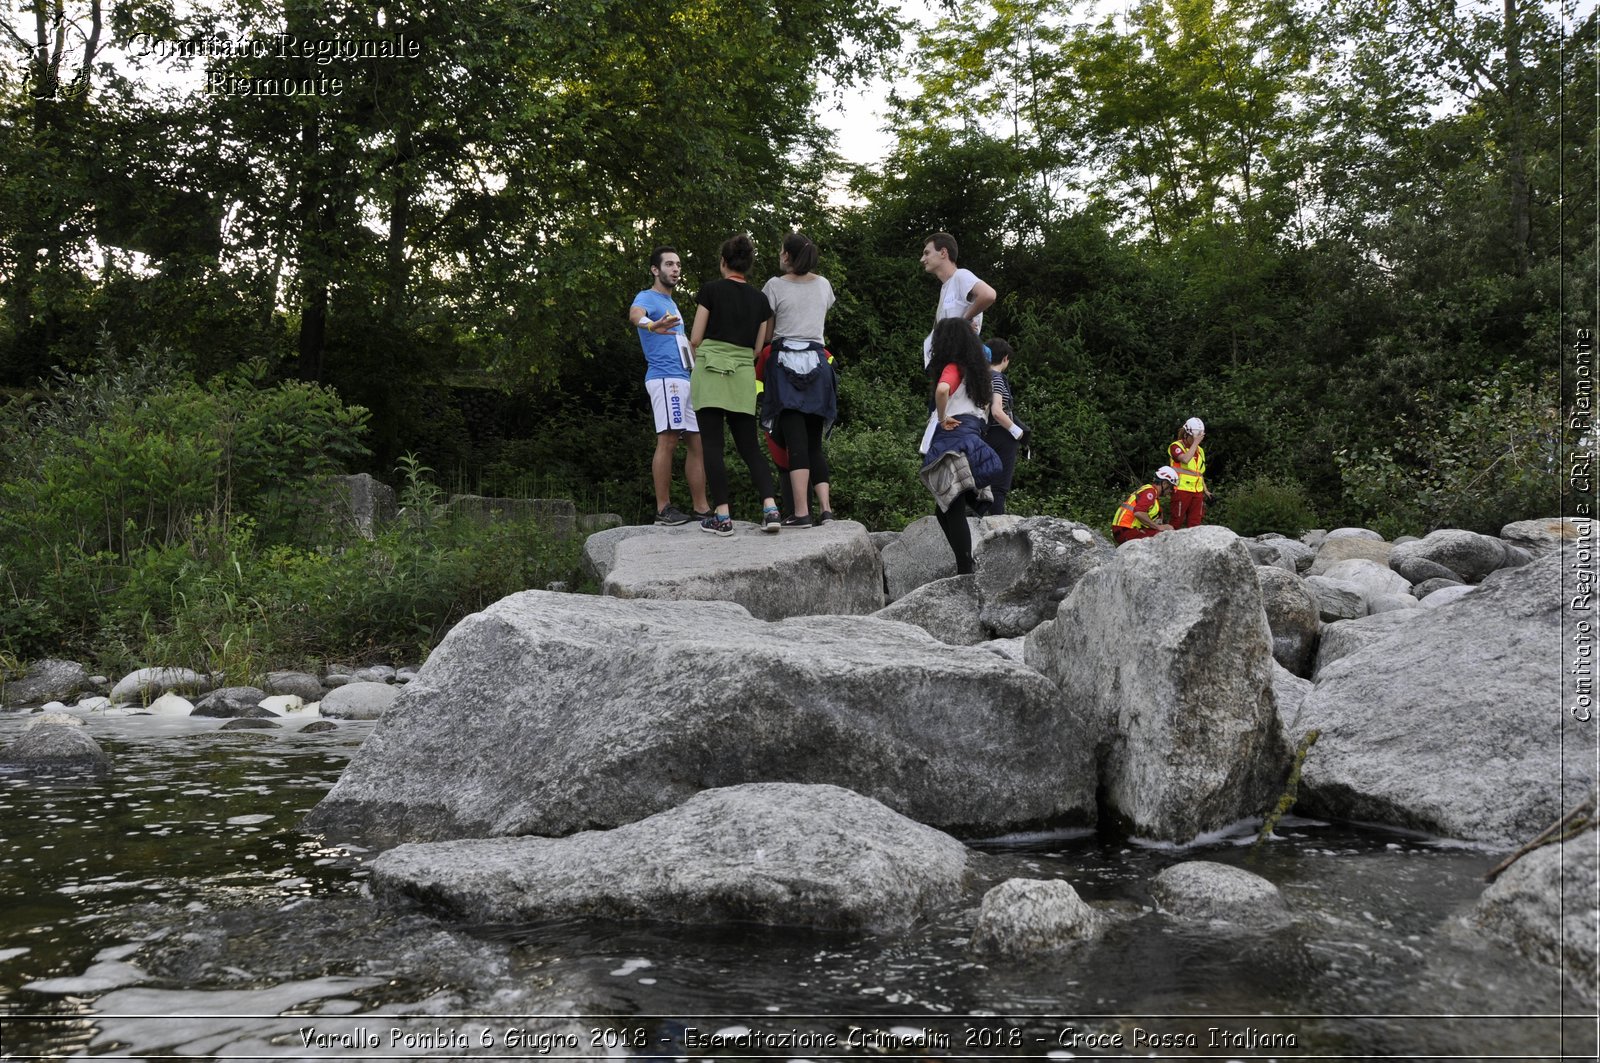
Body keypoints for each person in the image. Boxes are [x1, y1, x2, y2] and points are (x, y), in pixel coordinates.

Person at [688, 234, 781, 536]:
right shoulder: (761, 300)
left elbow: (695, 338)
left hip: (711, 370)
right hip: (743, 373)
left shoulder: (710, 290)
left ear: (724, 262)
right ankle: (770, 508)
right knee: (750, 447)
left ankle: (723, 517)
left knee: (712, 446)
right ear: (749, 265)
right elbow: (759, 347)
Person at [628, 245, 710, 525]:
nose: (676, 269)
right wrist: (652, 325)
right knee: (669, 439)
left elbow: (685, 345)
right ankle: (663, 509)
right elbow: (635, 315)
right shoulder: (647, 297)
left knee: (697, 444)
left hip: (685, 378)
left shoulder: (673, 304)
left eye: (678, 265)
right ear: (655, 269)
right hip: (665, 379)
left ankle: (702, 508)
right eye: (669, 264)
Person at [760, 232, 837, 528]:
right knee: (814, 444)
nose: (779, 256)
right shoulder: (824, 285)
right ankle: (826, 511)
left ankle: (801, 513)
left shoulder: (774, 286)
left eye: (781, 251)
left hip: (785, 364)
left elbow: (768, 334)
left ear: (788, 257)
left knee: (796, 444)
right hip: (818, 363)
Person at [919, 318, 1002, 574]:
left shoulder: (953, 367)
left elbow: (943, 390)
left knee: (951, 505)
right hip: (972, 436)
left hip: (953, 438)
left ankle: (966, 569)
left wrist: (943, 418)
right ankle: (965, 563)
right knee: (944, 509)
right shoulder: (979, 371)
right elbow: (986, 408)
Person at [919, 232, 997, 368]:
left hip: (963, 363)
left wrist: (963, 321)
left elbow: (988, 294)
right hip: (950, 361)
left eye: (927, 253)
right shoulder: (946, 287)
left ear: (943, 252)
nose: (922, 259)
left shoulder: (961, 275)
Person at [977, 337, 1025, 515]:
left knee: (981, 483)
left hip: (982, 434)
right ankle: (997, 529)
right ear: (1005, 358)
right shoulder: (996, 378)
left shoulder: (978, 377)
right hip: (1002, 435)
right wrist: (1017, 431)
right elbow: (997, 410)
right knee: (999, 488)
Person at [1112, 466, 1179, 544]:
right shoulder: (1150, 492)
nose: (1171, 491)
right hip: (1127, 530)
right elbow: (1138, 512)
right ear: (1164, 483)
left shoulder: (1152, 494)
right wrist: (1159, 527)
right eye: (1171, 487)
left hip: (1125, 529)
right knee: (1163, 538)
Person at [1167, 416, 1212, 528]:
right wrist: (1195, 443)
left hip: (1197, 491)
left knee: (1195, 523)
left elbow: (1198, 473)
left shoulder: (1199, 450)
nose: (1198, 440)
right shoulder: (1176, 446)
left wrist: (1206, 491)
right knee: (1176, 521)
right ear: (1186, 434)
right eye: (1195, 438)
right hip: (1181, 490)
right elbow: (1185, 459)